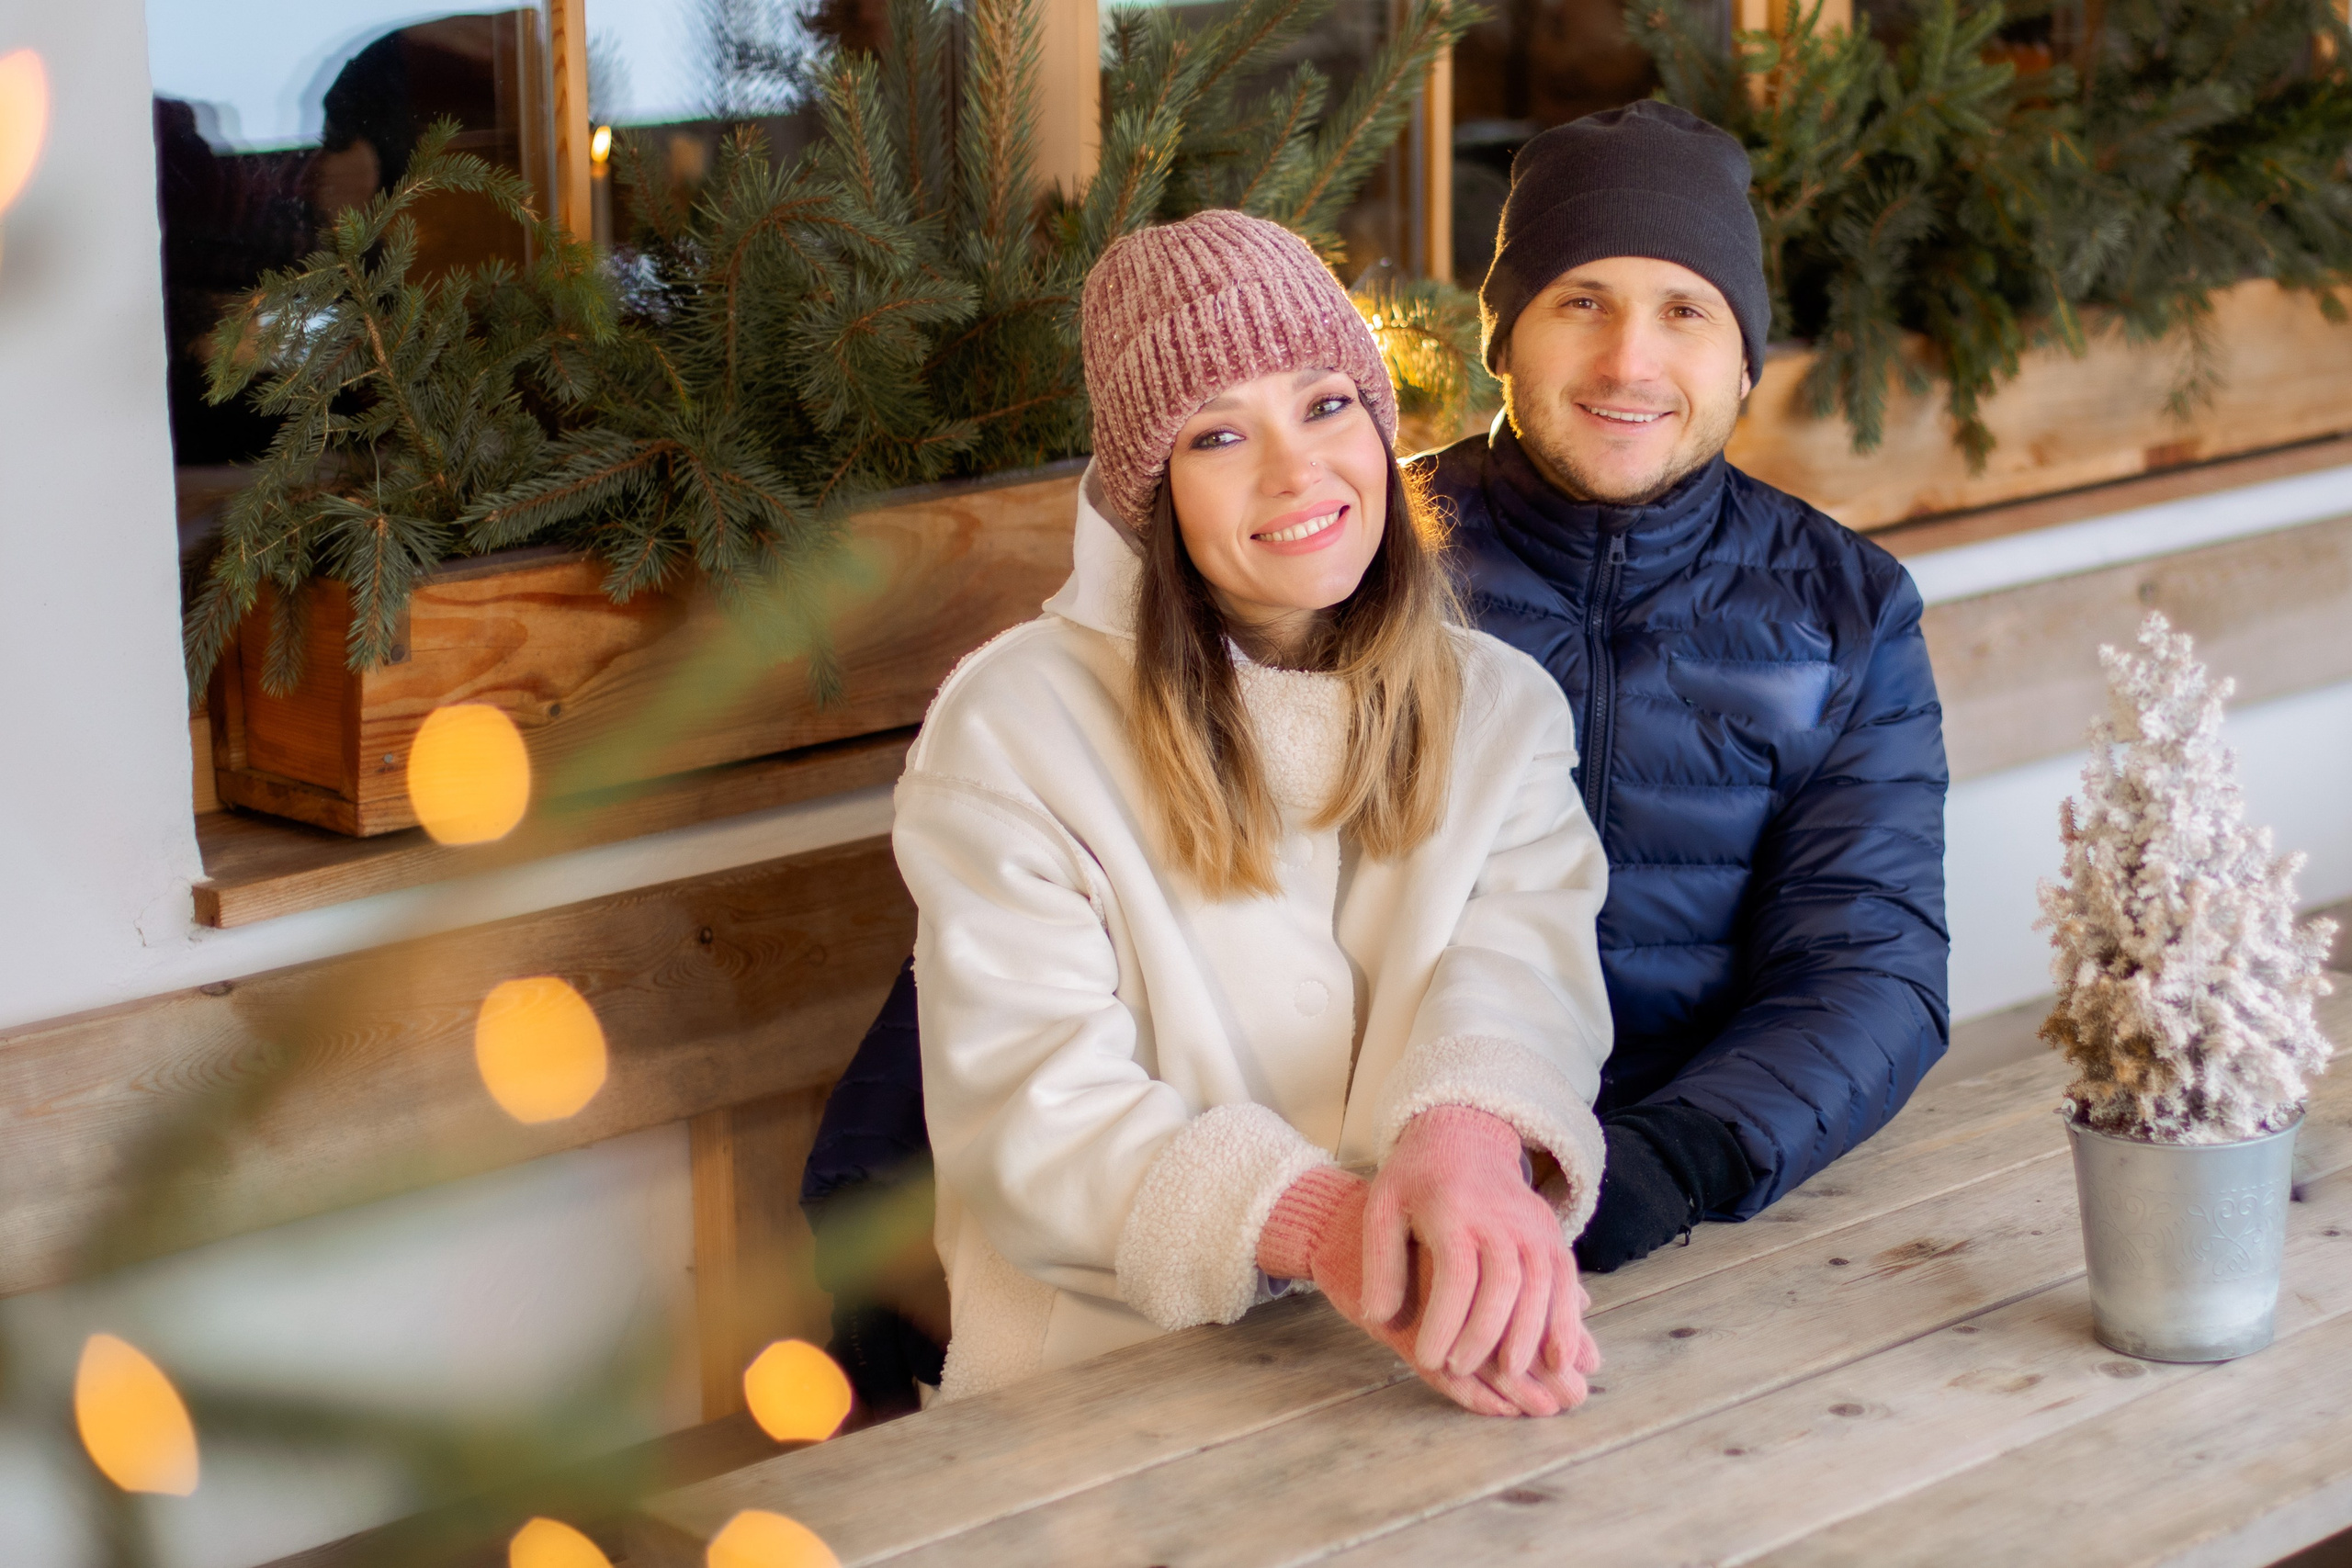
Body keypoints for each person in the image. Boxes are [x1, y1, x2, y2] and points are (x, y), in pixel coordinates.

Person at [804, 100, 1949, 1412]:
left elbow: (1785, 963)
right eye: (1217, 433)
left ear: (1746, 353)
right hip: (1154, 1361)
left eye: (1686, 310)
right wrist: (860, 1197)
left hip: (1554, 1246)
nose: (1631, 356)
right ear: (1502, 335)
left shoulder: (1598, 671)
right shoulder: (1064, 697)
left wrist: (1511, 1161)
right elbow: (1009, 1052)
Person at [882, 209, 1616, 1416]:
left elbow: (1522, 975)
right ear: (1151, 490)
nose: (1296, 471)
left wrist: (1470, 1141)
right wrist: (1326, 1222)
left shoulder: (1501, 709)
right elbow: (1034, 1117)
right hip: (1103, 1400)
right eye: (1220, 433)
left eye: (1326, 404)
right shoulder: (1012, 730)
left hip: (1428, 1363)